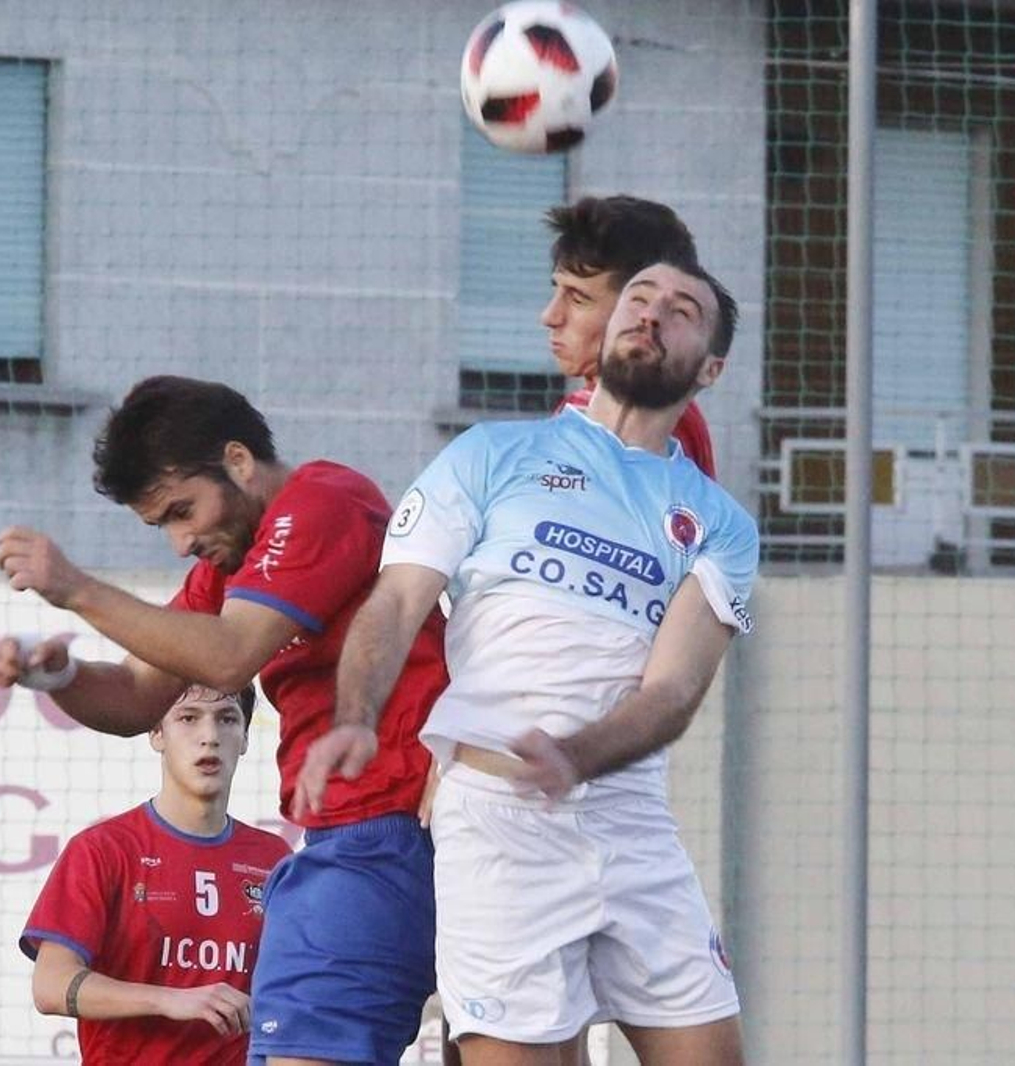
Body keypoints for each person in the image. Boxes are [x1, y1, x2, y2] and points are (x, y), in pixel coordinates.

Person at [297, 261, 756, 1065]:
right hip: (496, 821)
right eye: (639, 298)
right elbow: (396, 601)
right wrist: (358, 716)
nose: (652, 314)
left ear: (710, 368)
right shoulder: (490, 454)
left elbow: (676, 689)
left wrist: (575, 757)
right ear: (608, 328)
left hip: (630, 820)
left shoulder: (719, 523)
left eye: (682, 310)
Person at [0, 375, 447, 1065]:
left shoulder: (323, 500)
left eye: (182, 511)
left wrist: (78, 589)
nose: (180, 542)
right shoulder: (233, 566)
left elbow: (229, 656)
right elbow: (138, 696)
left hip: (389, 832)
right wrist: (59, 676)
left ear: (238, 461)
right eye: (162, 526)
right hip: (348, 838)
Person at [19, 684, 291, 1065]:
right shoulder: (103, 849)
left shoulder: (274, 858)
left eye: (227, 719)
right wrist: (170, 1000)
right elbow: (50, 986)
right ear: (156, 733)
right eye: (189, 718)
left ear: (245, 737)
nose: (210, 736)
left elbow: (294, 992)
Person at [541, 195, 719, 479]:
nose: (550, 316)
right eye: (557, 290)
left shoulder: (639, 416)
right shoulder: (676, 409)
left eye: (578, 298)